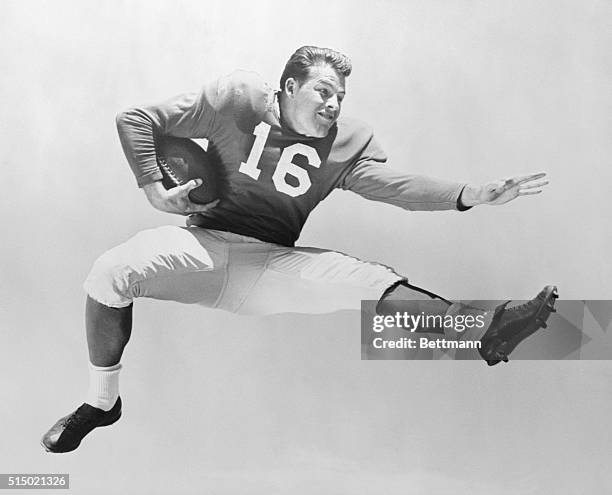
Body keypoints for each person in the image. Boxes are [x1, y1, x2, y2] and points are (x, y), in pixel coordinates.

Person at [41, 46, 556, 453]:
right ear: (289, 86)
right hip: (201, 244)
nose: (334, 104)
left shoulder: (347, 140)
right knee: (111, 270)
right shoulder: (236, 99)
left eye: (341, 97)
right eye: (324, 91)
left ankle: (484, 333)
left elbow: (393, 186)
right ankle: (101, 402)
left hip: (272, 265)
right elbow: (135, 119)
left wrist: (469, 193)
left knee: (367, 279)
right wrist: (154, 187)